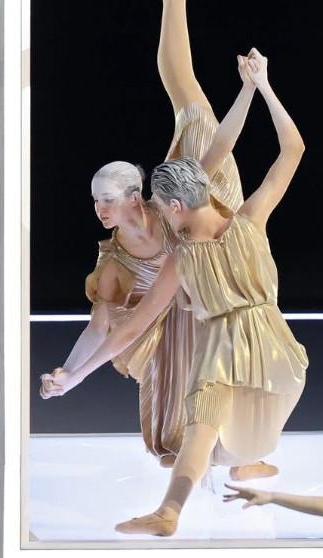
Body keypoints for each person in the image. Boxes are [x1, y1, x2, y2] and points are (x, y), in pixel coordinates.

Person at [43, 49, 309, 536]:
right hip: (278, 351)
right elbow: (290, 149)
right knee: (219, 430)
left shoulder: (180, 259)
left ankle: (171, 510)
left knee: (201, 432)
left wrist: (78, 375)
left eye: (161, 207)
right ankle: (196, 493)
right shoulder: (251, 219)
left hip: (222, 350)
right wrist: (261, 88)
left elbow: (132, 328)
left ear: (174, 206)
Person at [42, 0, 248, 467]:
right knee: (176, 417)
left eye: (107, 200)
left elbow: (217, 151)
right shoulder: (114, 261)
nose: (99, 211)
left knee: (185, 93)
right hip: (180, 309)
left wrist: (251, 91)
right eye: (95, 201)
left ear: (134, 198)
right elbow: (102, 326)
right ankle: (214, 449)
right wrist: (69, 373)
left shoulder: (173, 204)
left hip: (212, 229)